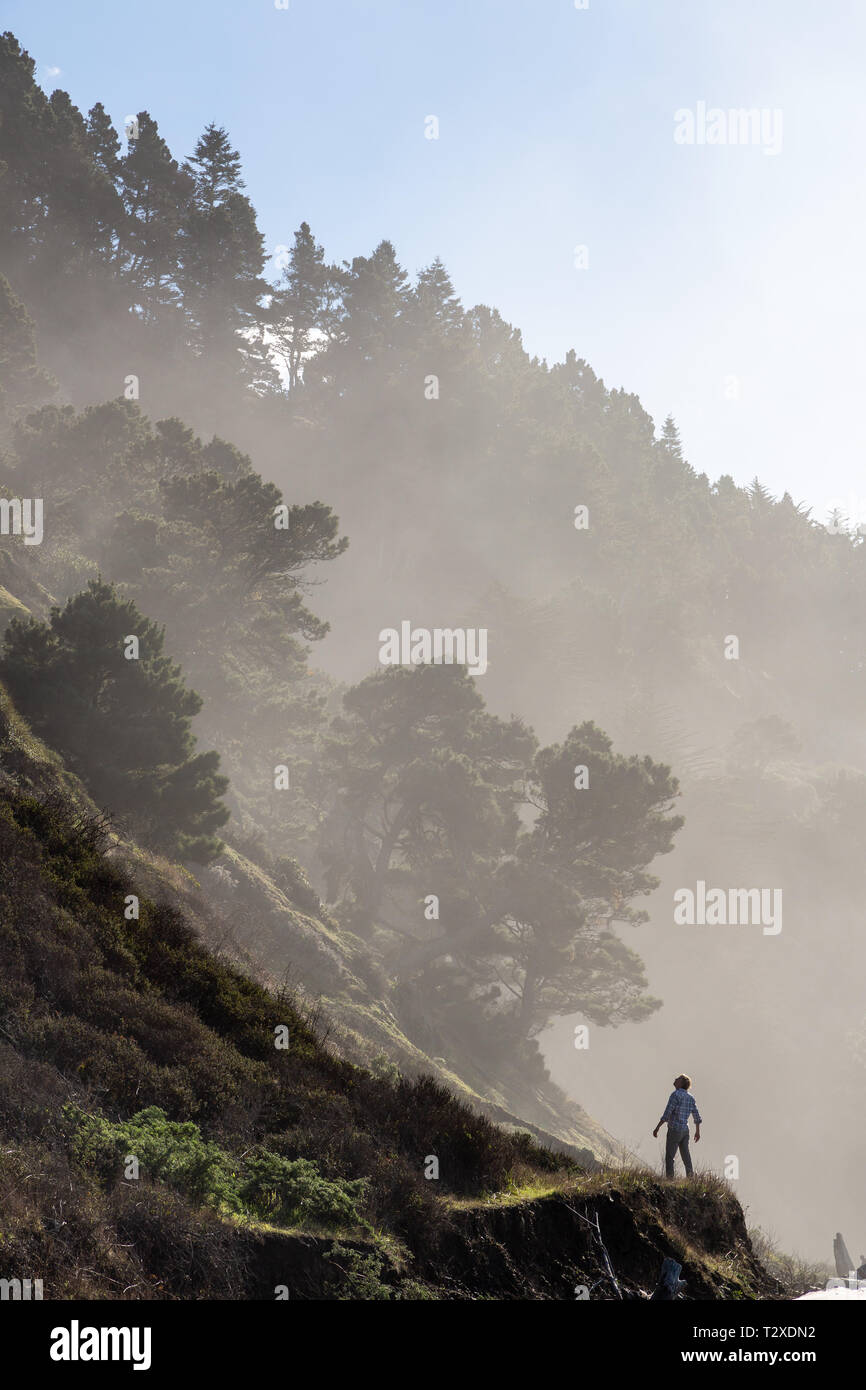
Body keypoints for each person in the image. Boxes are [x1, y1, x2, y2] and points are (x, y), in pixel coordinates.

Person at [653, 1073, 701, 1178]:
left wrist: (657, 1127)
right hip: (685, 1131)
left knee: (670, 1157)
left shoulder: (675, 1095)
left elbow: (667, 1113)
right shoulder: (691, 1098)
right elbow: (697, 1116)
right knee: (686, 1156)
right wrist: (697, 1132)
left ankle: (670, 1179)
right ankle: (690, 1178)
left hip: (674, 1129)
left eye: (678, 1078)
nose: (675, 1079)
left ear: (682, 1083)